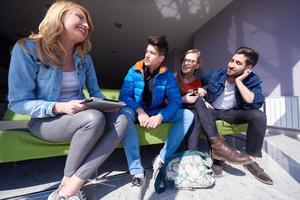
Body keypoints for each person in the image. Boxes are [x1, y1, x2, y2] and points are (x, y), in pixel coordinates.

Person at [8, 1, 128, 199]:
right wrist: (60, 106)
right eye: (80, 18)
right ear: (59, 16)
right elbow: (18, 102)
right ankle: (68, 187)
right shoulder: (27, 49)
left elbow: (95, 91)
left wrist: (108, 105)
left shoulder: (84, 57)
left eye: (88, 22)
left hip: (82, 116)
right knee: (93, 118)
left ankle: (70, 186)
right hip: (44, 121)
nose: (87, 25)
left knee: (122, 118)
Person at [119, 35, 194, 199]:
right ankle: (137, 172)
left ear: (161, 58)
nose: (147, 55)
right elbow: (124, 96)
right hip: (136, 110)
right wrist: (139, 111)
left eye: (152, 53)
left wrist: (161, 116)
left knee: (187, 114)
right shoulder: (134, 70)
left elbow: (175, 101)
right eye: (147, 51)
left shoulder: (167, 76)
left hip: (156, 111)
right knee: (124, 114)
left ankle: (161, 159)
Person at [199, 47, 273, 185]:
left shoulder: (253, 79)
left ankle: (250, 160)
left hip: (232, 112)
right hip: (213, 110)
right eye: (232, 60)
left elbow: (255, 102)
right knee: (203, 112)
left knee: (259, 116)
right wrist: (203, 99)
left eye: (238, 63)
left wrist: (239, 81)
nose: (231, 65)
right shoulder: (217, 74)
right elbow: (198, 84)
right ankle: (218, 157)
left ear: (248, 67)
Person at [175, 49, 252, 170]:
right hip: (175, 109)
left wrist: (203, 99)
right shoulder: (173, 78)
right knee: (197, 107)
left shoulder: (198, 80)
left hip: (192, 110)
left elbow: (200, 94)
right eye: (185, 60)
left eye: (191, 61)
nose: (186, 63)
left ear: (197, 65)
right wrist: (183, 99)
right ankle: (218, 146)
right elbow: (164, 101)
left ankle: (192, 157)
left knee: (196, 113)